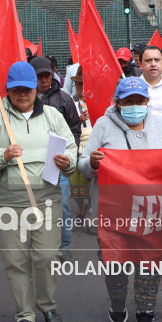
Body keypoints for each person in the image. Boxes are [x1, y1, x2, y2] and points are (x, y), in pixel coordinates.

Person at [0, 61, 77, 322]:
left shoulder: (53, 115)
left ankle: (48, 304)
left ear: (36, 89)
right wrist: (2, 156)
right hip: (7, 200)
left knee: (46, 255)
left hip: (47, 197)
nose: (22, 95)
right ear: (7, 90)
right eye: (16, 90)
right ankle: (25, 312)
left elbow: (72, 147)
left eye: (27, 90)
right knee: (16, 259)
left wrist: (68, 162)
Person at [78, 77, 162, 322]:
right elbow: (83, 166)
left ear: (147, 101)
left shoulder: (159, 123)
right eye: (128, 101)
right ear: (118, 102)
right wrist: (93, 162)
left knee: (150, 263)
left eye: (139, 101)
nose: (135, 105)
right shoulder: (103, 125)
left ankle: (146, 313)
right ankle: (118, 303)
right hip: (113, 211)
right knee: (115, 264)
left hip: (152, 208)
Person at [30, 56, 81, 259]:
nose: (44, 80)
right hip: (32, 164)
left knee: (62, 206)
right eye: (39, 77)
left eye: (47, 76)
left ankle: (63, 246)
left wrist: (69, 155)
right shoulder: (24, 99)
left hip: (57, 165)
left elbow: (75, 129)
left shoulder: (64, 99)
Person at [68, 67, 92, 229]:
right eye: (79, 85)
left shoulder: (98, 104)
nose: (82, 90)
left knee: (90, 184)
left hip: (91, 149)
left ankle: (90, 214)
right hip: (74, 148)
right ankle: (81, 210)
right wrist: (78, 120)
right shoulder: (70, 104)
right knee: (75, 185)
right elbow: (63, 126)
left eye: (85, 85)